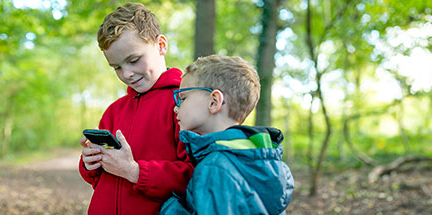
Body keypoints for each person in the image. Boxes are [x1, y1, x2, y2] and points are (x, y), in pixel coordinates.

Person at [78, 3, 193, 214]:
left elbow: (194, 176)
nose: (127, 74)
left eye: (133, 60)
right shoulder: (114, 111)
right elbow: (99, 180)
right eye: (117, 67)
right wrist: (90, 162)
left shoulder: (185, 101)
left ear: (160, 45)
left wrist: (135, 171)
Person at [159, 55, 294, 215]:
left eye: (183, 98)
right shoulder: (261, 159)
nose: (176, 108)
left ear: (214, 102)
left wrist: (171, 207)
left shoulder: (215, 166)